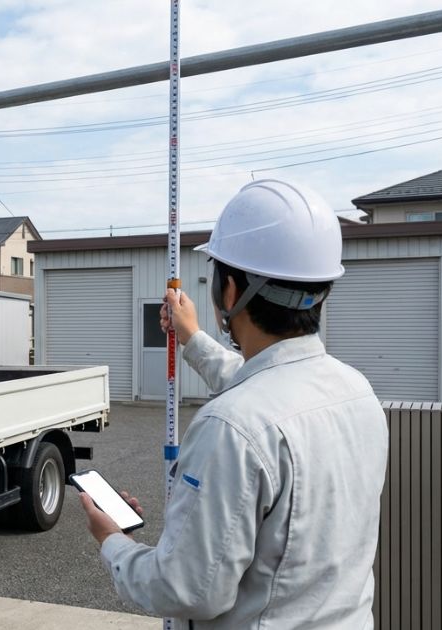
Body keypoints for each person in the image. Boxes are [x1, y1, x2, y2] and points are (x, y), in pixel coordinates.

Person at [78, 179, 389, 628]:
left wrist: (113, 541)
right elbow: (267, 390)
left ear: (229, 291)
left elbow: (184, 590)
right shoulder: (358, 394)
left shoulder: (232, 426)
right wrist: (192, 339)